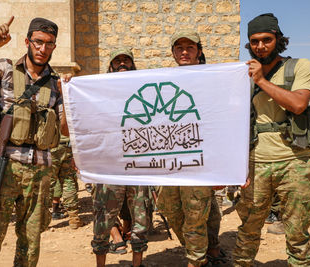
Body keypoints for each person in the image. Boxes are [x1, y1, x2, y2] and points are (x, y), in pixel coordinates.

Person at [0, 16, 70, 266]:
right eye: (38, 42)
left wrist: (71, 98)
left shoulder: (55, 84)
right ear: (27, 41)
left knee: (30, 245)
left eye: (49, 44)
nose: (43, 49)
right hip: (5, 166)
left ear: (54, 46)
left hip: (40, 173)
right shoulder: (6, 69)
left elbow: (65, 130)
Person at [232, 13, 310, 267]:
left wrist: (260, 80)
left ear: (278, 39)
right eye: (254, 41)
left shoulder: (299, 66)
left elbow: (299, 104)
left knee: (297, 232)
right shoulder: (241, 74)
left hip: (294, 162)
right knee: (248, 230)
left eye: (266, 40)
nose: (260, 46)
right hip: (256, 163)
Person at [156, 30, 225, 267]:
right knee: (171, 209)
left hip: (198, 160)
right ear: (173, 52)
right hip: (169, 161)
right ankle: (204, 247)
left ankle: (197, 259)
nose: (184, 52)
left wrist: (221, 164)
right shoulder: (162, 79)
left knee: (196, 213)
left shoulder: (212, 78)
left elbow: (221, 119)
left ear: (199, 51)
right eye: (179, 48)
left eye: (190, 48)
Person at [92, 48, 150, 267]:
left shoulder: (144, 91)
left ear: (132, 65)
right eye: (118, 60)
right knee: (103, 219)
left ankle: (138, 263)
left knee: (141, 218)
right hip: (110, 166)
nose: (122, 63)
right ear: (111, 66)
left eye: (126, 60)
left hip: (138, 164)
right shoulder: (99, 92)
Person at [49, 133, 84, 229]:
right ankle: (74, 218)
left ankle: (41, 221)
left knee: (48, 183)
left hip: (51, 147)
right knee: (68, 181)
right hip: (67, 146)